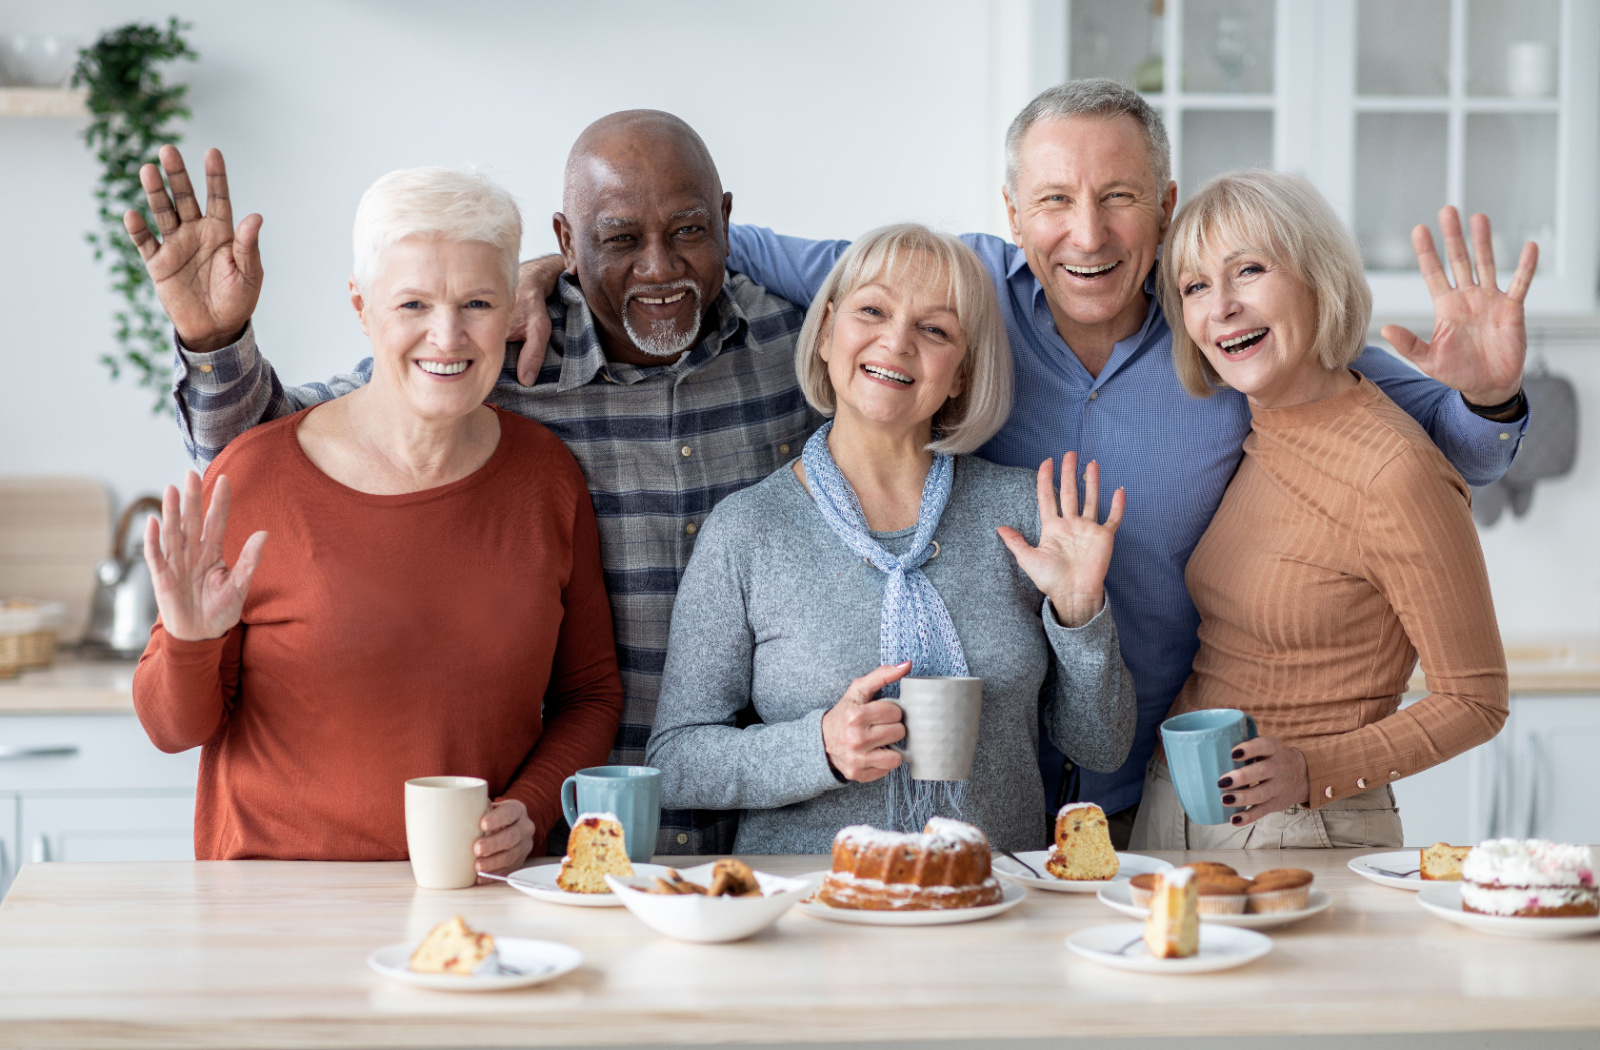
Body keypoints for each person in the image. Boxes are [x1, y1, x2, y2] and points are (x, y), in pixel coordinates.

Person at [607, 80, 1529, 846]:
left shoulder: (1227, 336)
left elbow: (1402, 423)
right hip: (994, 830)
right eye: (1054, 200)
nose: (1086, 234)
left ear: (1164, 210)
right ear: (1014, 214)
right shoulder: (960, 292)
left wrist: (1488, 399)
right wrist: (558, 271)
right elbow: (742, 249)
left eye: (1119, 197)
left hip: (1163, 786)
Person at [148, 111, 821, 855]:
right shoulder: (499, 362)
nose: (658, 267)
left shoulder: (807, 350)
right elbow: (285, 449)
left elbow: (928, 341)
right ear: (569, 244)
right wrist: (215, 342)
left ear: (725, 220)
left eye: (689, 231)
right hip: (540, 845)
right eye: (621, 239)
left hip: (746, 822)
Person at [131, 166, 624, 868]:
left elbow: (590, 694)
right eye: (413, 305)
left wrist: (533, 804)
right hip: (272, 909)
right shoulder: (255, 473)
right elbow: (169, 729)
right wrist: (187, 640)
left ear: (513, 305)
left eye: (478, 303)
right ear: (362, 308)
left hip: (469, 902)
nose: (447, 336)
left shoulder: (546, 477)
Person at [646, 225, 1135, 853]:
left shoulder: (1027, 515)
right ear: (825, 332)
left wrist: (1080, 614)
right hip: (811, 918)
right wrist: (816, 746)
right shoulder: (747, 530)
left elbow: (1100, 745)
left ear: (960, 374)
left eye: (936, 329)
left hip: (985, 907)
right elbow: (677, 762)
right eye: (872, 310)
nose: (897, 341)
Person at [1128, 170, 1517, 848]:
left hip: (1300, 825)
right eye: (1195, 287)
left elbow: (1476, 702)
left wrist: (1314, 769)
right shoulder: (1255, 427)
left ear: (1318, 277)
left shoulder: (1392, 470)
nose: (1220, 306)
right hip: (1172, 811)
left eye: (1247, 270)